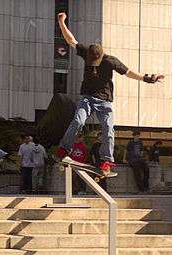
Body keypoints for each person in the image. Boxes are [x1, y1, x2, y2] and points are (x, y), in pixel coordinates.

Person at [56, 12, 164, 174]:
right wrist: (61, 22)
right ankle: (64, 149)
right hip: (87, 98)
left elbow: (129, 72)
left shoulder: (111, 61)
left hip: (105, 100)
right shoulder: (86, 51)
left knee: (108, 128)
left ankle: (106, 160)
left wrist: (148, 78)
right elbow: (71, 40)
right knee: (78, 120)